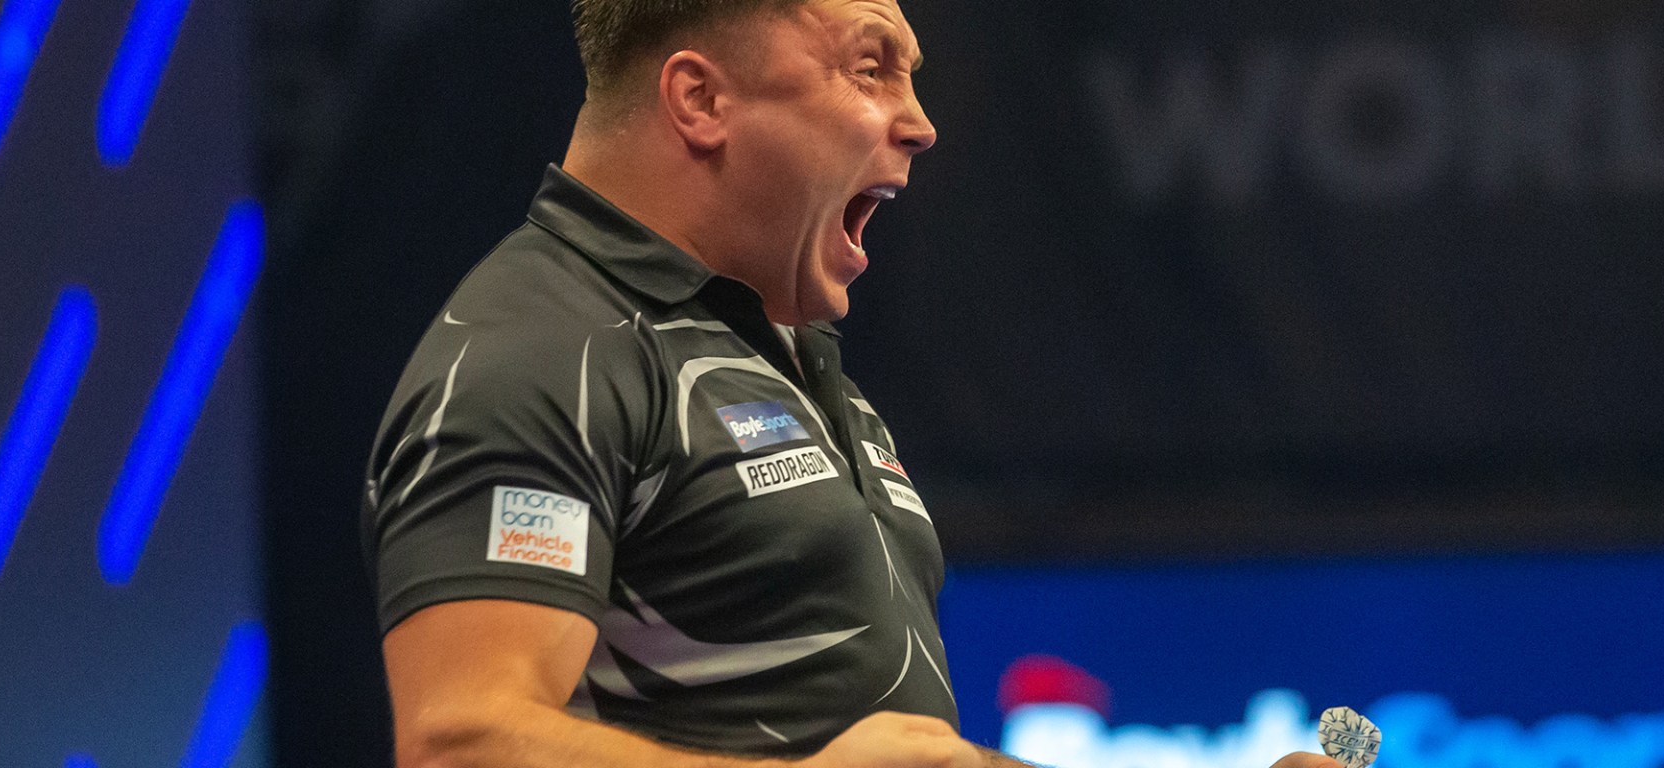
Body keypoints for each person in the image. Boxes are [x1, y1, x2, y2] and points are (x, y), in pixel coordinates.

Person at [361, 2, 1348, 768]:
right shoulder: (543, 348)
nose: (920, 124)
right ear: (701, 100)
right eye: (870, 68)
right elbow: (460, 742)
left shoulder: (776, 352)